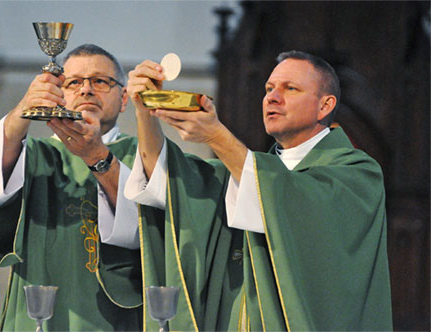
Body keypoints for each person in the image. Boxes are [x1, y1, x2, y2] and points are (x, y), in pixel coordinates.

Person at [125, 51, 393, 331]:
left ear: (325, 105)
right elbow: (166, 181)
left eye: (290, 88)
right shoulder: (248, 173)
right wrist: (145, 110)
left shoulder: (358, 173)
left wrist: (216, 135)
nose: (272, 97)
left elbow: (296, 202)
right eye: (268, 89)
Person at [0, 44, 143, 331]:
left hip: (117, 317)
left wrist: (96, 156)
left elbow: (146, 231)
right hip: (40, 314)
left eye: (100, 81)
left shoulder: (145, 154)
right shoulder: (33, 154)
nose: (86, 90)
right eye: (73, 82)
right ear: (58, 95)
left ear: (123, 98)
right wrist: (23, 110)